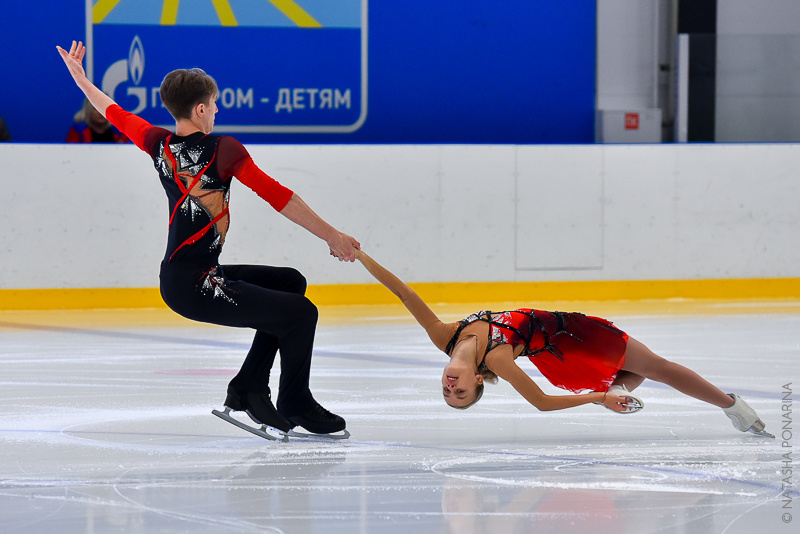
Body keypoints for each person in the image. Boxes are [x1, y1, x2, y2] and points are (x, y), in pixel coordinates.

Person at [57, 40, 360, 437]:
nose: (217, 110)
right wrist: (332, 236)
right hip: (198, 286)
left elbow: (115, 114)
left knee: (290, 284)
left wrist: (82, 81)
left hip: (184, 278)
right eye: (214, 103)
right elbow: (280, 197)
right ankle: (294, 400)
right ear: (200, 109)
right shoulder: (223, 150)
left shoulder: (159, 143)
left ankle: (248, 387)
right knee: (302, 314)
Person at [354, 249, 772, 437]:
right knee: (656, 368)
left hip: (565, 331)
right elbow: (540, 403)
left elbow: (405, 295)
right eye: (460, 392)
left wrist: (361, 256)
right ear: (478, 383)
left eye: (448, 391)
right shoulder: (497, 360)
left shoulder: (443, 337)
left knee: (649, 368)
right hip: (568, 341)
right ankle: (733, 406)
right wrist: (595, 399)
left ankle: (621, 390)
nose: (451, 386)